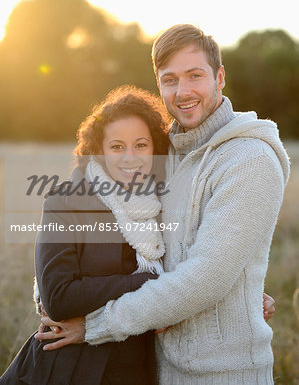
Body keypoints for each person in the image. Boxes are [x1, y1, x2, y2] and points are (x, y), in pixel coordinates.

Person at [34, 24, 289, 384]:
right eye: (169, 79)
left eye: (195, 76)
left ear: (220, 77)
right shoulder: (167, 157)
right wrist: (50, 291)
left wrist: (92, 326)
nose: (182, 92)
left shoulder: (249, 159)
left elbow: (205, 279)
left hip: (222, 373)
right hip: (159, 368)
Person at [0, 85, 171, 385]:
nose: (130, 157)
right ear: (99, 151)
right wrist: (148, 281)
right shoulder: (66, 201)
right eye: (117, 147)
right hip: (67, 367)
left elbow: (196, 271)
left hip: (137, 368)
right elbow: (58, 297)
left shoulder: (165, 205)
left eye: (141, 145)